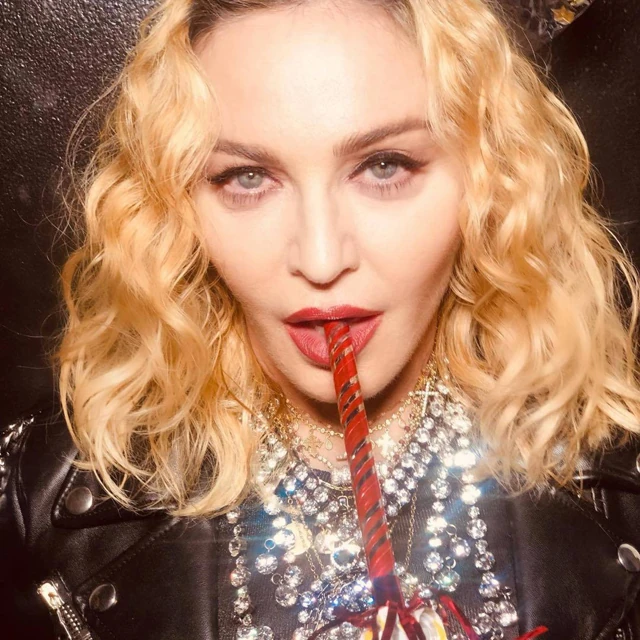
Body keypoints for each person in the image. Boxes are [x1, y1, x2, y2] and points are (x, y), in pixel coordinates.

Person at [1, 0, 639, 638]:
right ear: (175, 204)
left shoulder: (618, 483)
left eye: (385, 166)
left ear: (488, 179)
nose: (321, 259)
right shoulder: (42, 500)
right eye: (247, 177)